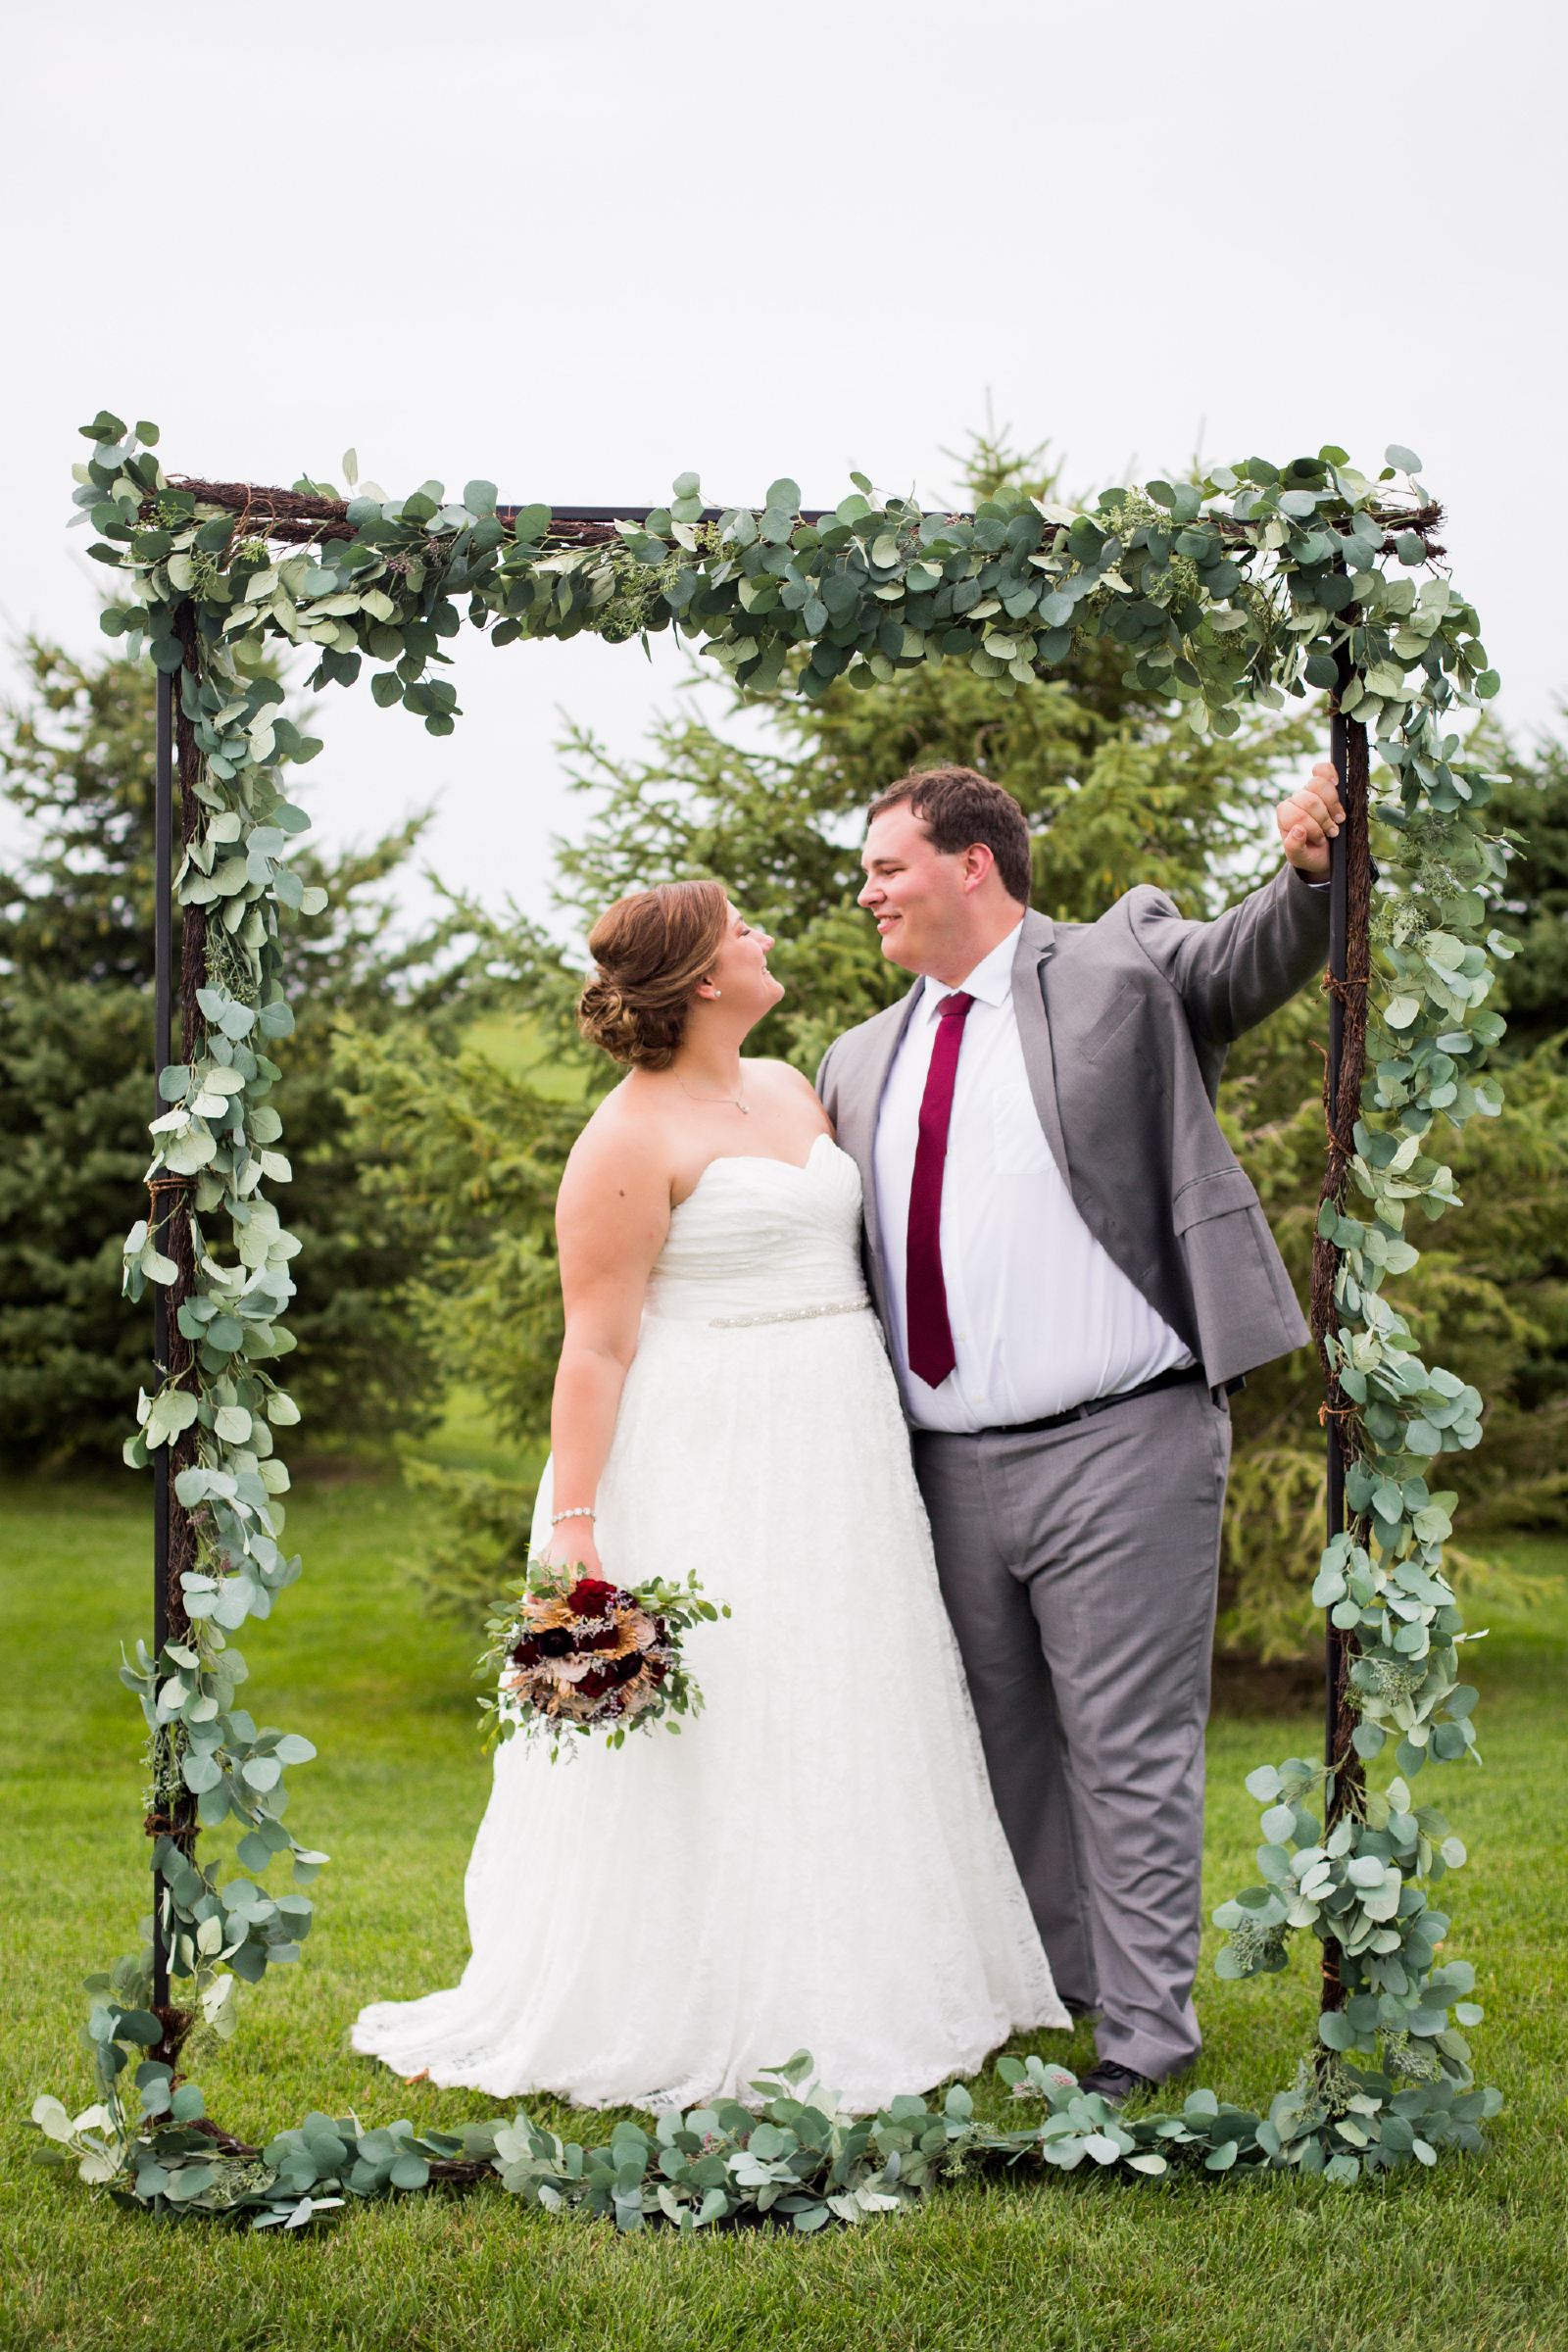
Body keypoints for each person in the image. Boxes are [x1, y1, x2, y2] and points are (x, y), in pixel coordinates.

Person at [353, 878, 1066, 2111]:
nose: (764, 937)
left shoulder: (790, 1085)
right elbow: (595, 1346)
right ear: (699, 977)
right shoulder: (623, 1142)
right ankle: (712, 1994)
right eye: (742, 930)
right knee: (732, 1714)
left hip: (839, 1447)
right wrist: (575, 1531)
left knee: (843, 1695)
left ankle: (865, 1976)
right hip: (708, 1450)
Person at [816, 760, 1342, 2105]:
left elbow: (1242, 962)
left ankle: (1147, 2037)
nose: (865, 891)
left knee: (1128, 1748)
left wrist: (1308, 876)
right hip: (937, 1467)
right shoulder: (856, 1059)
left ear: (973, 863)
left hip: (1122, 1441)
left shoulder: (1120, 964)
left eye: (885, 866)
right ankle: (1059, 1991)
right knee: (996, 1749)